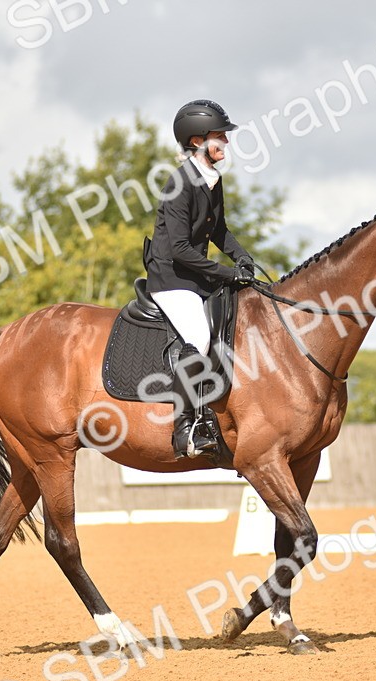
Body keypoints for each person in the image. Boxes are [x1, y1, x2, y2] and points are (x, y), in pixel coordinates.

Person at [145, 99, 257, 458]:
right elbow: (179, 249)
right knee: (198, 336)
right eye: (219, 136)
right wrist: (227, 273)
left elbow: (218, 230)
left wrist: (242, 257)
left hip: (195, 277)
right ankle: (183, 429)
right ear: (197, 141)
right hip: (171, 278)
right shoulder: (179, 183)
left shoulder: (212, 179)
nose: (226, 141)